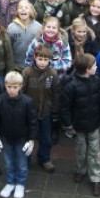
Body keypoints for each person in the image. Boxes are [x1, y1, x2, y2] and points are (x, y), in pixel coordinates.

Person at [60, 52, 100, 196]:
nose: (96, 67)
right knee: (80, 151)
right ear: (87, 69)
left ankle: (96, 179)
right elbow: (65, 107)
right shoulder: (71, 86)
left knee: (94, 153)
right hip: (78, 126)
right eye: (94, 66)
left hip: (95, 124)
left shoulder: (97, 81)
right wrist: (68, 125)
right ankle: (80, 170)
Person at [0, 70, 38, 198]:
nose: (12, 90)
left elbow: (32, 122)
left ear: (20, 87)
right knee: (8, 163)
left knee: (22, 164)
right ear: (5, 85)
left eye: (15, 87)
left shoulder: (27, 102)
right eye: (9, 87)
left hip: (22, 139)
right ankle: (10, 182)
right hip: (5, 139)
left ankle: (20, 184)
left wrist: (31, 140)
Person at [21, 43, 60, 173]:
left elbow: (56, 93)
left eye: (46, 60)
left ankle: (44, 158)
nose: (43, 63)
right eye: (40, 59)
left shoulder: (52, 74)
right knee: (28, 137)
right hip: (29, 113)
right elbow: (21, 92)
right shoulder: (27, 72)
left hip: (46, 112)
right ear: (34, 58)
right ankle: (25, 160)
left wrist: (55, 111)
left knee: (46, 138)